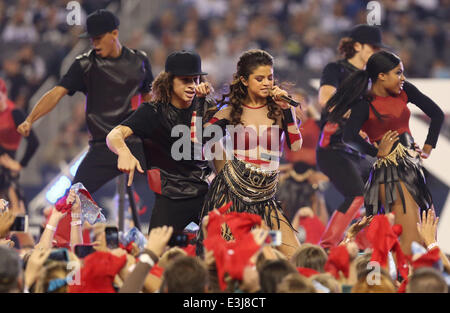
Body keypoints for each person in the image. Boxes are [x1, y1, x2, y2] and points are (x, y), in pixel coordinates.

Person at [17, 9, 153, 194]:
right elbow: (56, 93)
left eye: (98, 38)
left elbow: (149, 100)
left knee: (166, 186)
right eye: (91, 39)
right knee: (73, 199)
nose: (94, 43)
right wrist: (30, 119)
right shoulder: (85, 64)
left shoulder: (140, 61)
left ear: (114, 33)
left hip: (134, 142)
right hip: (102, 145)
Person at [328, 50, 444, 253]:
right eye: (398, 73)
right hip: (391, 175)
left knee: (424, 235)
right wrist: (375, 151)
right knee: (412, 242)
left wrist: (427, 148)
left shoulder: (404, 90)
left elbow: (436, 114)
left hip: (413, 169)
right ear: (381, 76)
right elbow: (348, 136)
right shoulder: (364, 104)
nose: (403, 78)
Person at [191, 49, 302, 258]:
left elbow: (295, 146)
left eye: (270, 77)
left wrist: (288, 110)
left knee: (293, 257)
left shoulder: (280, 110)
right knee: (229, 259)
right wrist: (198, 102)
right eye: (259, 79)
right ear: (244, 80)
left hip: (266, 200)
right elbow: (198, 140)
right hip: (231, 197)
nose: (266, 83)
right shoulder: (231, 111)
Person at [106, 50, 216, 232]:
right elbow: (113, 135)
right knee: (157, 255)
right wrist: (124, 153)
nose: (192, 86)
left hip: (205, 194)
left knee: (223, 250)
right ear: (169, 81)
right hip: (169, 198)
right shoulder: (152, 111)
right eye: (185, 80)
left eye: (196, 79)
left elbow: (219, 146)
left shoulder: (206, 106)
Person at [316, 25, 387, 249]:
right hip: (333, 148)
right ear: (357, 46)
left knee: (383, 192)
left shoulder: (371, 79)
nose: (377, 52)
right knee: (357, 195)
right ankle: (326, 248)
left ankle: (362, 247)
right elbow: (326, 99)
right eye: (373, 47)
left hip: (354, 150)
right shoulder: (335, 69)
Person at [0, 78, 39, 214]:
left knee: (15, 210)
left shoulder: (14, 113)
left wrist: (20, 164)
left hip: (6, 167)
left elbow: (34, 142)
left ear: (3, 94)